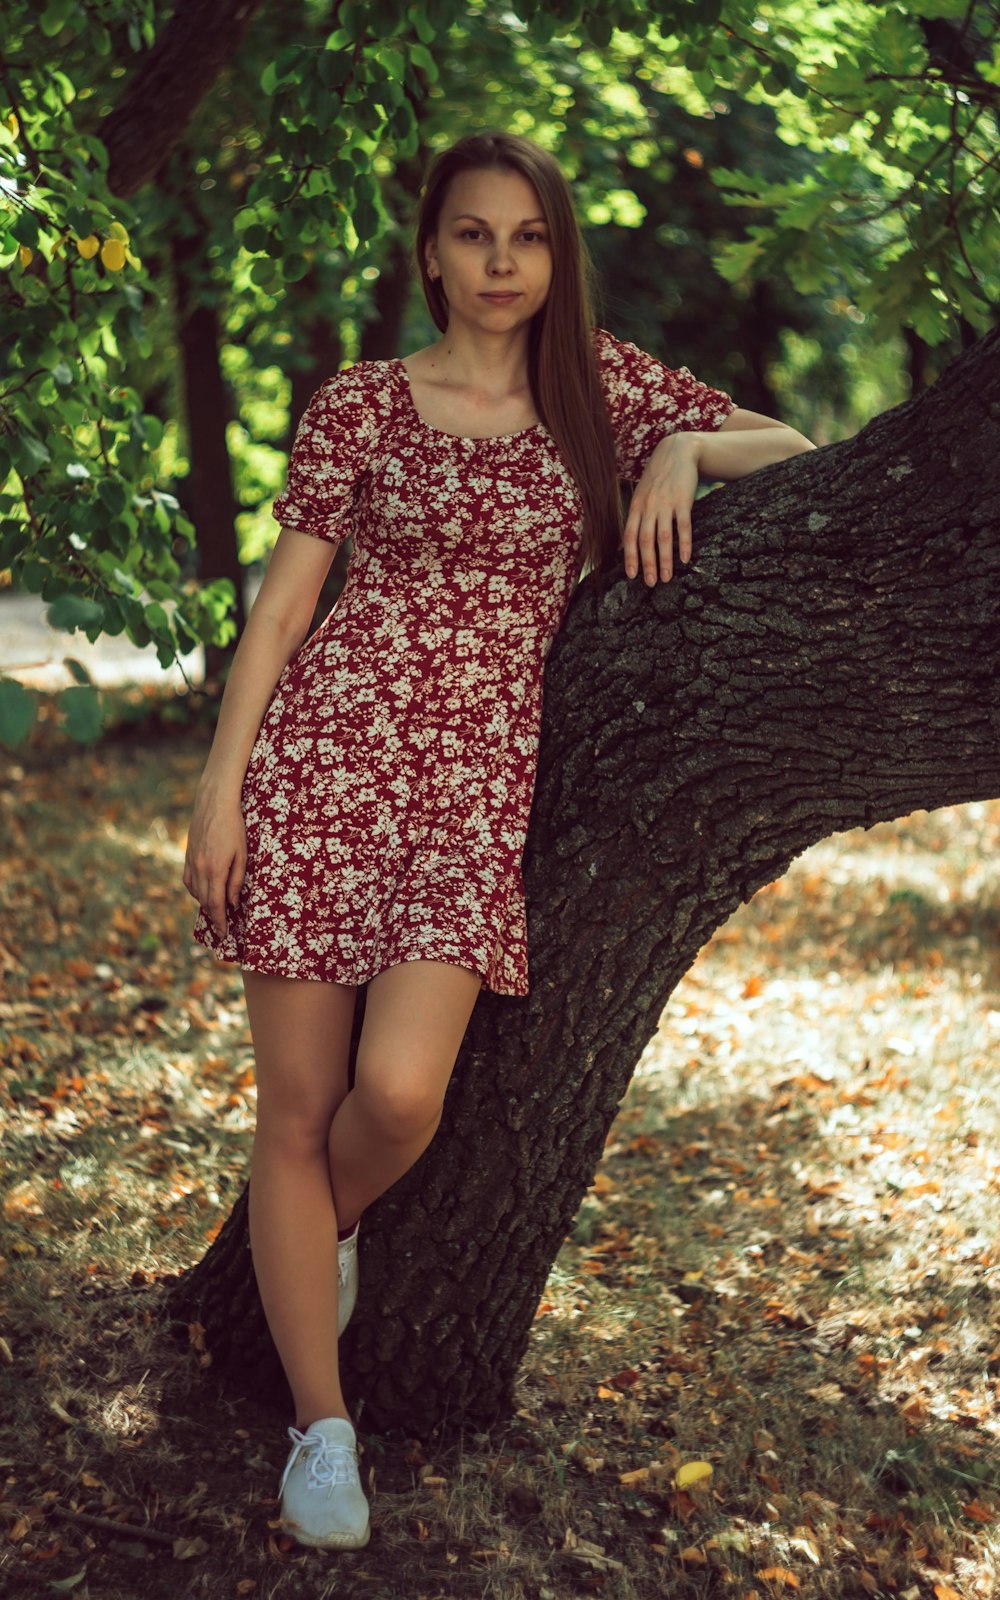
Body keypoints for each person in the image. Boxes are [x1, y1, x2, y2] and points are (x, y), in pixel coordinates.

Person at [183, 128, 815, 1552]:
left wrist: (685, 456)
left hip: (472, 790)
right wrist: (223, 789)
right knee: (295, 1112)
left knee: (399, 1096)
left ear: (556, 252)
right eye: (474, 235)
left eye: (527, 238)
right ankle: (323, 1429)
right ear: (430, 252)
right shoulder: (362, 404)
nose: (502, 264)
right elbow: (284, 608)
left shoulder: (602, 392)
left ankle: (308, 1237)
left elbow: (797, 452)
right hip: (325, 765)